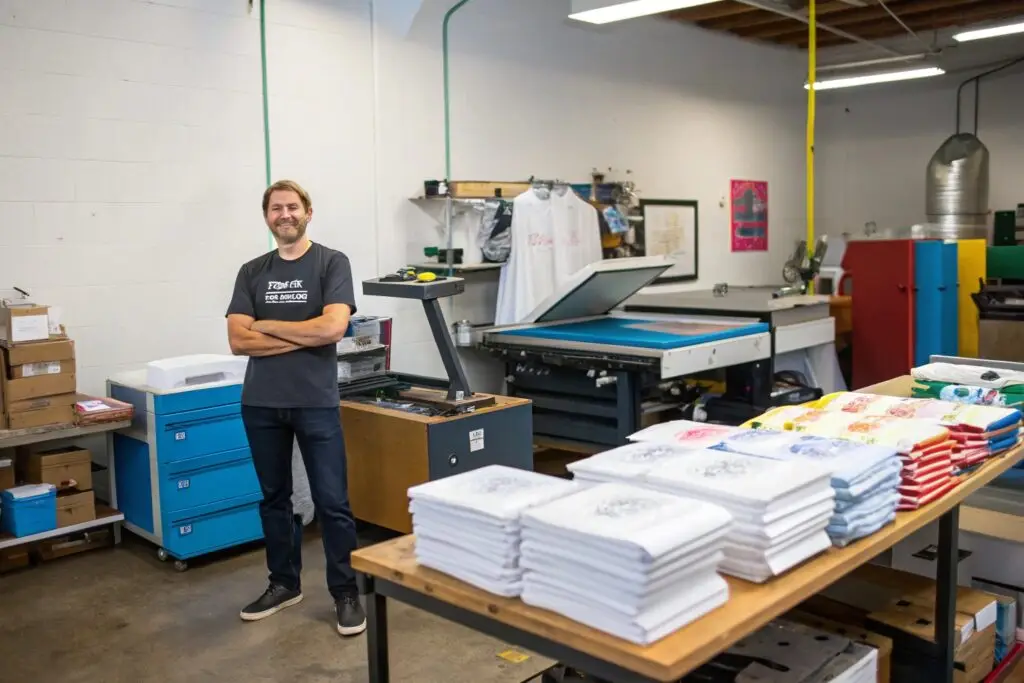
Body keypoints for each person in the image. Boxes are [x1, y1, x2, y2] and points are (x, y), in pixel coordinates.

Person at [225, 179, 366, 636]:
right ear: (266, 217)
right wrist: (301, 331)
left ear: (308, 211)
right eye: (275, 208)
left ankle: (346, 592)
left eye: (292, 207)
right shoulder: (251, 271)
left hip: (315, 402)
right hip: (261, 403)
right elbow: (236, 340)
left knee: (333, 502)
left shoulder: (331, 262)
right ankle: (284, 583)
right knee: (274, 500)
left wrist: (266, 326)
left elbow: (333, 330)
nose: (284, 215)